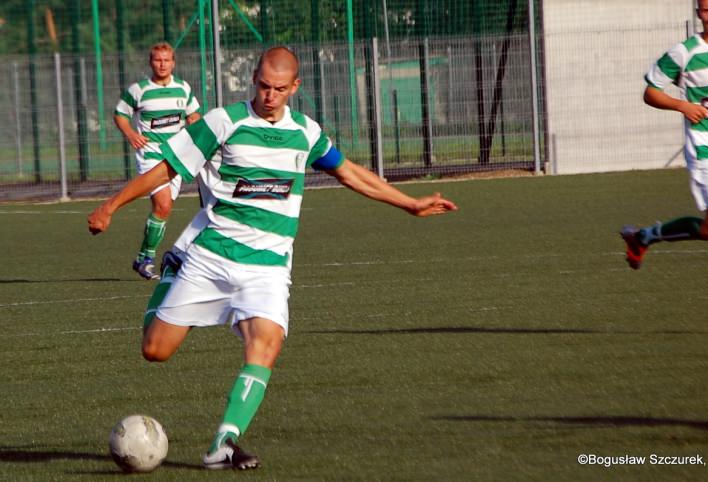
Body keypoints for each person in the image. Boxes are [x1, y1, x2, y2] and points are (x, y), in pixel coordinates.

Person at [89, 46, 458, 470]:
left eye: (279, 89)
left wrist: (408, 203)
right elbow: (166, 169)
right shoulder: (223, 122)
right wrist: (111, 206)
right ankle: (170, 274)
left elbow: (350, 172)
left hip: (266, 267)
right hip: (211, 257)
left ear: (294, 87)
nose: (270, 95)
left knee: (267, 342)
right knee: (154, 350)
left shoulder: (306, 133)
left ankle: (224, 443)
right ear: (254, 82)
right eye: (263, 86)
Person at [621, 0, 708, 277]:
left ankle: (645, 236)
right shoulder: (685, 52)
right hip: (707, 150)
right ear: (698, 13)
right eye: (706, 10)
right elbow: (651, 91)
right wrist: (683, 106)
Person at [114, 41, 202, 280]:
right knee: (162, 204)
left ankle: (143, 256)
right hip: (151, 154)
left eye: (166, 60)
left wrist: (194, 120)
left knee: (163, 209)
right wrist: (131, 134)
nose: (162, 64)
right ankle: (148, 259)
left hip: (176, 155)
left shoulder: (183, 88)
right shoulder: (139, 90)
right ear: (151, 63)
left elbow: (194, 113)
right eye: (157, 60)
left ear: (173, 63)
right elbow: (120, 114)